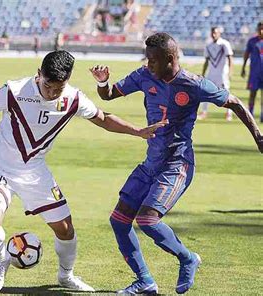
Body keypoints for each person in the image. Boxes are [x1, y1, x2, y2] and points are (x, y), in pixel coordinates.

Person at [0, 50, 166, 294]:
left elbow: (103, 118)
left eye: (59, 88)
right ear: (38, 75)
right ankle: (3, 258)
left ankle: (66, 276)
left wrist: (137, 131)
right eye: (48, 86)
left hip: (35, 172)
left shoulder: (74, 98)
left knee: (65, 229)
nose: (52, 93)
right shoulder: (15, 90)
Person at [90, 32, 263, 294]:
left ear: (170, 58)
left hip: (177, 163)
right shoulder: (144, 75)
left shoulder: (193, 84)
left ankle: (187, 258)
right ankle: (145, 281)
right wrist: (103, 83)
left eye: (152, 60)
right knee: (119, 220)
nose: (148, 65)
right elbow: (109, 95)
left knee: (147, 220)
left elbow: (235, 102)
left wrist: (258, 136)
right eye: (147, 59)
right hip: (151, 163)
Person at [198, 27, 234, 121]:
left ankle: (229, 113)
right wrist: (203, 73)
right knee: (205, 92)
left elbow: (230, 58)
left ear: (219, 34)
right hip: (211, 73)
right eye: (212, 33)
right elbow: (206, 60)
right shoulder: (208, 45)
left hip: (222, 73)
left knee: (226, 92)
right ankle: (204, 112)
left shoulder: (224, 44)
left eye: (215, 33)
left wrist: (230, 71)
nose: (214, 35)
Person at [241, 21, 263, 122]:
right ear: (257, 30)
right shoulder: (252, 41)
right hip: (255, 73)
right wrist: (243, 67)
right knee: (252, 94)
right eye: (260, 29)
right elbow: (246, 54)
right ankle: (250, 114)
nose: (261, 31)